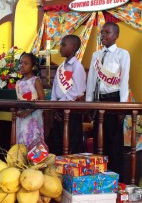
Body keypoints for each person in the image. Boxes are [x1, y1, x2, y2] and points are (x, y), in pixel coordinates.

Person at [86, 22, 130, 182]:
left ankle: (117, 181)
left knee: (114, 143)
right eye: (102, 32)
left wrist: (122, 107)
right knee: (100, 142)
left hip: (114, 101)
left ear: (116, 35)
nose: (103, 35)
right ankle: (99, 180)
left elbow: (124, 80)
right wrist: (89, 102)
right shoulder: (96, 55)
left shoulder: (122, 54)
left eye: (107, 32)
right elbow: (91, 79)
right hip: (98, 101)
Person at [50, 34, 86, 155]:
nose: (60, 47)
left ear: (74, 47)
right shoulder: (61, 67)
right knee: (58, 143)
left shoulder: (77, 67)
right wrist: (54, 105)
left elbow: (77, 91)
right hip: (59, 110)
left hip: (72, 111)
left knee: (72, 144)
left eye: (63, 45)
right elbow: (55, 87)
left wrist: (61, 104)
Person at [15, 52, 45, 148]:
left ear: (32, 66)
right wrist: (18, 110)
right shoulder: (19, 82)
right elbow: (19, 100)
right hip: (22, 117)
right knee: (22, 139)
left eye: (26, 63)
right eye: (21, 63)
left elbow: (42, 100)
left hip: (34, 117)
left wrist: (28, 111)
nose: (22, 66)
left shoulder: (35, 80)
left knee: (33, 141)